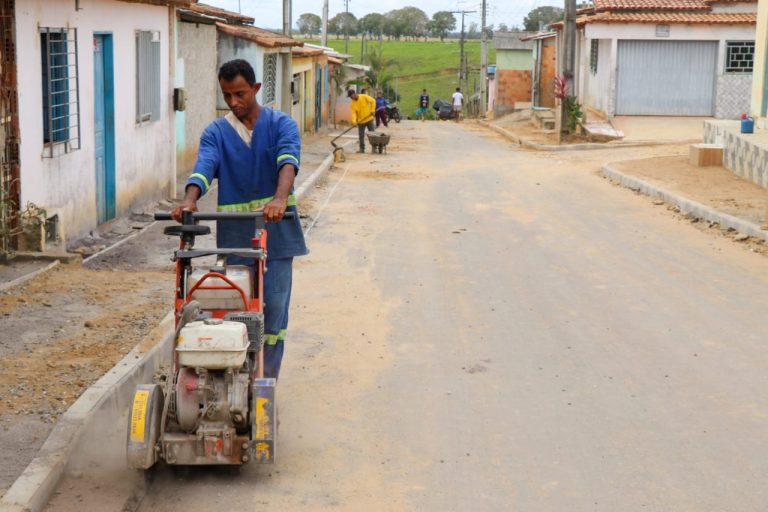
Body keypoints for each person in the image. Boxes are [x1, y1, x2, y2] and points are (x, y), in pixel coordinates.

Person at [171, 59, 308, 380]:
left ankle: (265, 384)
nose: (234, 102)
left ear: (256, 89)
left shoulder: (281, 125)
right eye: (227, 95)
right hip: (236, 243)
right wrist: (189, 199)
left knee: (272, 317)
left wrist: (279, 199)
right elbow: (204, 165)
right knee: (234, 312)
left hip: (278, 238)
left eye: (241, 94)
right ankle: (232, 378)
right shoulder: (216, 132)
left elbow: (288, 160)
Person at [348, 89, 376, 153]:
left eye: (351, 96)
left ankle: (374, 148)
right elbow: (353, 114)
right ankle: (362, 149)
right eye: (350, 97)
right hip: (361, 121)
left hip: (369, 119)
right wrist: (354, 122)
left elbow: (373, 101)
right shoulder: (352, 104)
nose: (351, 98)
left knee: (372, 134)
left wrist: (372, 110)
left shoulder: (364, 96)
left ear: (354, 94)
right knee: (361, 135)